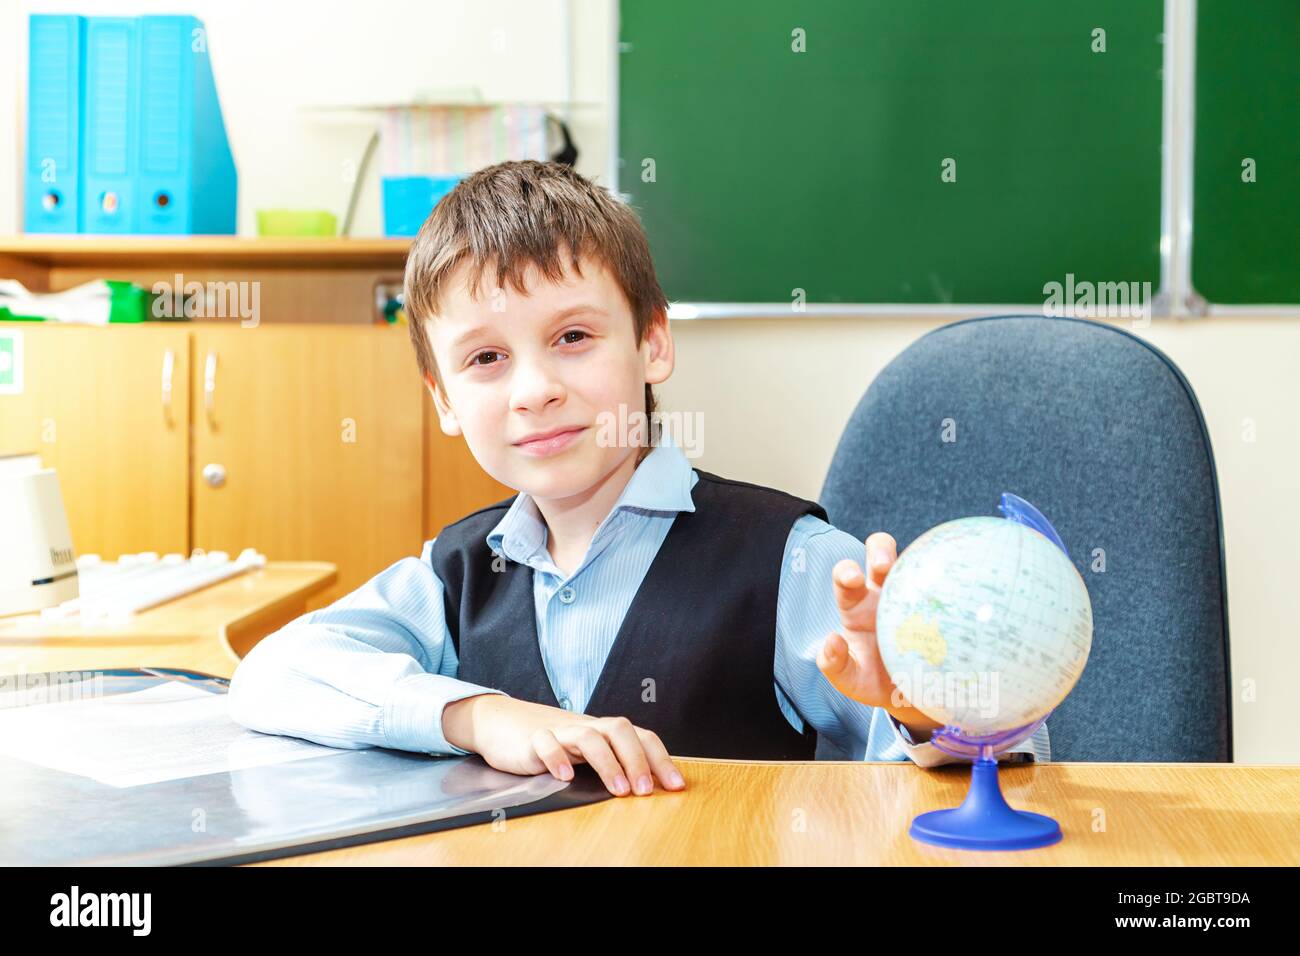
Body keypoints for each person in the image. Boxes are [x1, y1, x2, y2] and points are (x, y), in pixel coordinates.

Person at [229, 160, 1048, 797]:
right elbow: (274, 674)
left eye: (574, 336)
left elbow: (1003, 751)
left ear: (653, 343)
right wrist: (478, 714)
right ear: (443, 399)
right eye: (486, 358)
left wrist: (918, 706)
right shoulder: (455, 573)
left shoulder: (789, 560)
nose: (534, 389)